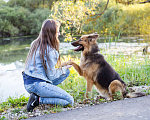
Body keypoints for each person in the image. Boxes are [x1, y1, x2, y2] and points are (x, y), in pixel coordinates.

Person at [22, 19, 74, 112]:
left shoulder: (35, 43)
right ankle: (38, 100)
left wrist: (64, 67)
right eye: (57, 32)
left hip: (28, 84)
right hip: (37, 84)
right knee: (69, 101)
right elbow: (52, 75)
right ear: (51, 34)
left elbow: (46, 68)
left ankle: (41, 94)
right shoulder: (51, 51)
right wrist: (65, 68)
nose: (58, 34)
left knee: (65, 72)